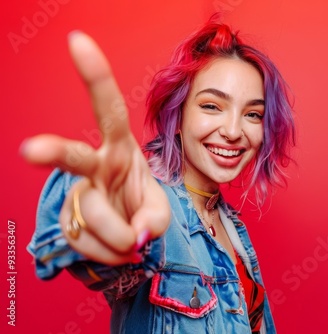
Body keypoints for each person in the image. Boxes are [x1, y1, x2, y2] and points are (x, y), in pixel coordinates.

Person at [22, 17, 295, 334]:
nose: (234, 131)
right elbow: (115, 243)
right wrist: (96, 206)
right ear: (176, 116)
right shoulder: (154, 211)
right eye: (211, 106)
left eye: (252, 114)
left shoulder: (233, 230)